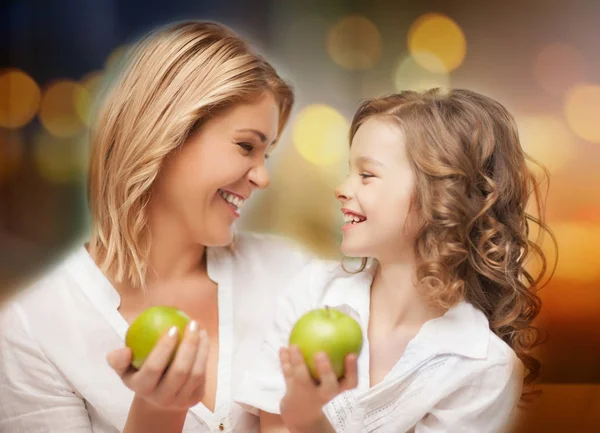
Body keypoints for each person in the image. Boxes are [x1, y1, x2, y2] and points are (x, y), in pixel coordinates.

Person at [0, 20, 312, 433]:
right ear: (166, 135)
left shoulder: (289, 274)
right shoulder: (32, 328)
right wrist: (157, 412)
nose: (262, 177)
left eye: (266, 155)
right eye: (245, 146)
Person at [235, 88, 554, 433]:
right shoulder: (311, 291)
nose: (342, 188)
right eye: (349, 170)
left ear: (442, 196)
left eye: (367, 175)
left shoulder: (482, 367)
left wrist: (309, 420)